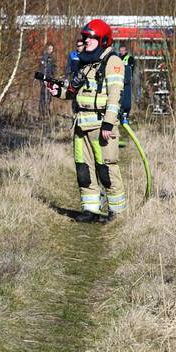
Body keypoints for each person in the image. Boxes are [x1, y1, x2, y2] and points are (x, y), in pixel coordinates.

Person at [49, 19, 127, 222]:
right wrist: (59, 92)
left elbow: (114, 96)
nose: (84, 41)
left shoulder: (113, 62)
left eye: (89, 38)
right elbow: (74, 91)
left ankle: (116, 214)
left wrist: (109, 123)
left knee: (106, 170)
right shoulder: (86, 63)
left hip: (101, 126)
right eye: (84, 37)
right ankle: (90, 210)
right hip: (81, 124)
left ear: (102, 40)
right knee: (84, 169)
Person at [38, 43, 57, 115]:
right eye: (49, 49)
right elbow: (40, 69)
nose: (50, 50)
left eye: (51, 49)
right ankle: (41, 112)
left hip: (50, 80)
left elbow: (54, 68)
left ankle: (48, 111)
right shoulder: (43, 57)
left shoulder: (53, 58)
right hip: (43, 80)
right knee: (43, 96)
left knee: (49, 96)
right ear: (46, 49)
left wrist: (53, 77)